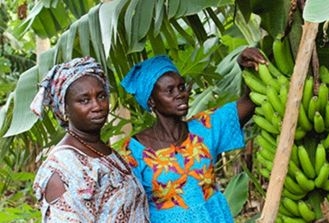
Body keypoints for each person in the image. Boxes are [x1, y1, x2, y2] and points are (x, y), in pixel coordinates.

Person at [120, 47, 265, 223]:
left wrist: (244, 67)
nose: (180, 94)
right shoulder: (133, 151)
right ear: (151, 101)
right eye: (170, 90)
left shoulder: (205, 127)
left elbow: (251, 100)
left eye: (181, 87)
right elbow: (126, 207)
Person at [30, 56, 150, 222]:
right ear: (65, 109)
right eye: (84, 100)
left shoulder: (108, 153)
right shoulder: (62, 168)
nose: (97, 106)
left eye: (101, 96)